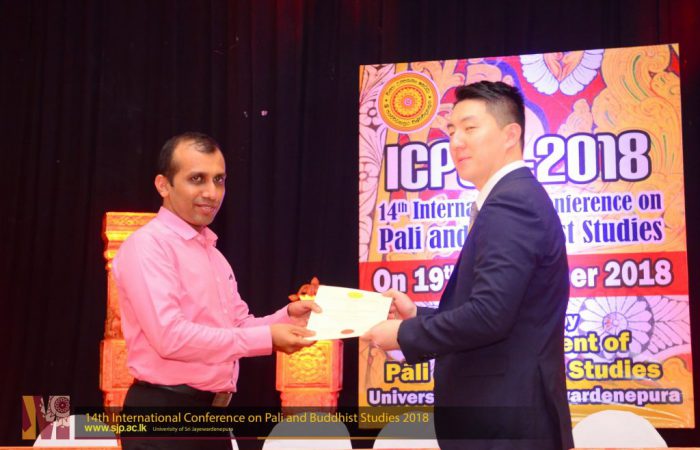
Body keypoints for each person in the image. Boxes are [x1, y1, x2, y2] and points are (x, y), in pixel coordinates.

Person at [363, 81, 574, 450]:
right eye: (451, 130)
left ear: (510, 135)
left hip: (507, 427)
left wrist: (404, 334)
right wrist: (416, 315)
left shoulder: (512, 202)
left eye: (470, 128)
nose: (456, 141)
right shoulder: (511, 198)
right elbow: (500, 311)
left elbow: (490, 316)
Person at [113, 132, 319, 450]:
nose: (211, 193)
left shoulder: (213, 254)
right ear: (163, 185)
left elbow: (236, 325)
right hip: (164, 418)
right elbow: (170, 337)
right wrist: (267, 338)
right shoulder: (147, 246)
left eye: (219, 180)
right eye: (197, 179)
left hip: (211, 417)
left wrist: (287, 318)